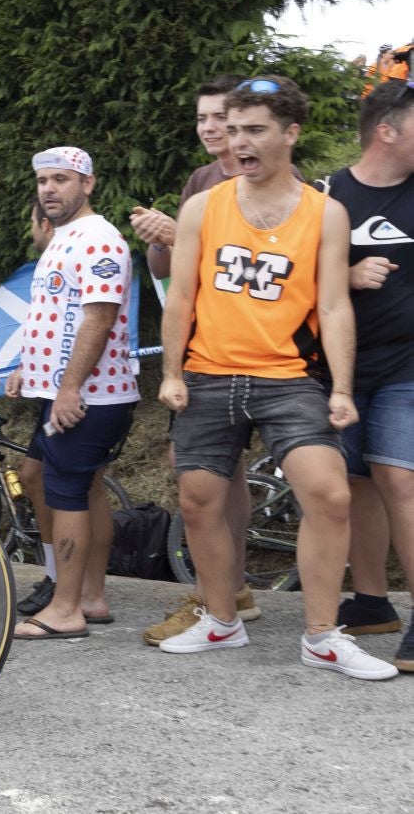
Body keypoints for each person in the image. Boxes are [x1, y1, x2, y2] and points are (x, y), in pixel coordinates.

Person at [158, 76, 396, 679]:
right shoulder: (203, 207)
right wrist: (171, 372)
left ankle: (321, 635)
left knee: (330, 493)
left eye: (254, 129)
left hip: (290, 377)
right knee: (199, 498)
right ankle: (220, 619)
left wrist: (341, 388)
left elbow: (335, 305)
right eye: (233, 129)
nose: (239, 141)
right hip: (209, 373)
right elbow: (181, 295)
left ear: (290, 134)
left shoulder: (326, 213)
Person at [130, 75, 301, 642]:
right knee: (204, 476)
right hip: (203, 351)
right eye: (204, 121)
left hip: (269, 358)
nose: (212, 131)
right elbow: (168, 271)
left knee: (256, 478)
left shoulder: (278, 180)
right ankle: (225, 595)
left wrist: (178, 232)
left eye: (222, 121)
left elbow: (271, 261)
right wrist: (161, 238)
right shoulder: (202, 180)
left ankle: (224, 598)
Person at [7, 148, 138, 640]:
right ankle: (90, 597)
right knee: (56, 481)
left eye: (60, 179)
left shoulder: (99, 239)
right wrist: (27, 367)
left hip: (88, 397)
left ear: (88, 183)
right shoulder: (65, 239)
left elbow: (98, 318)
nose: (48, 189)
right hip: (64, 392)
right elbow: (54, 314)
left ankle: (66, 609)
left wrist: (67, 388)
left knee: (68, 494)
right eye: (43, 180)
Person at [323, 79, 414, 671]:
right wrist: (348, 276)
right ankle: (374, 602)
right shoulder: (327, 196)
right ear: (387, 131)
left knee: (398, 477)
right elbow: (295, 278)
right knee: (354, 485)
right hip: (339, 370)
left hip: (408, 366)